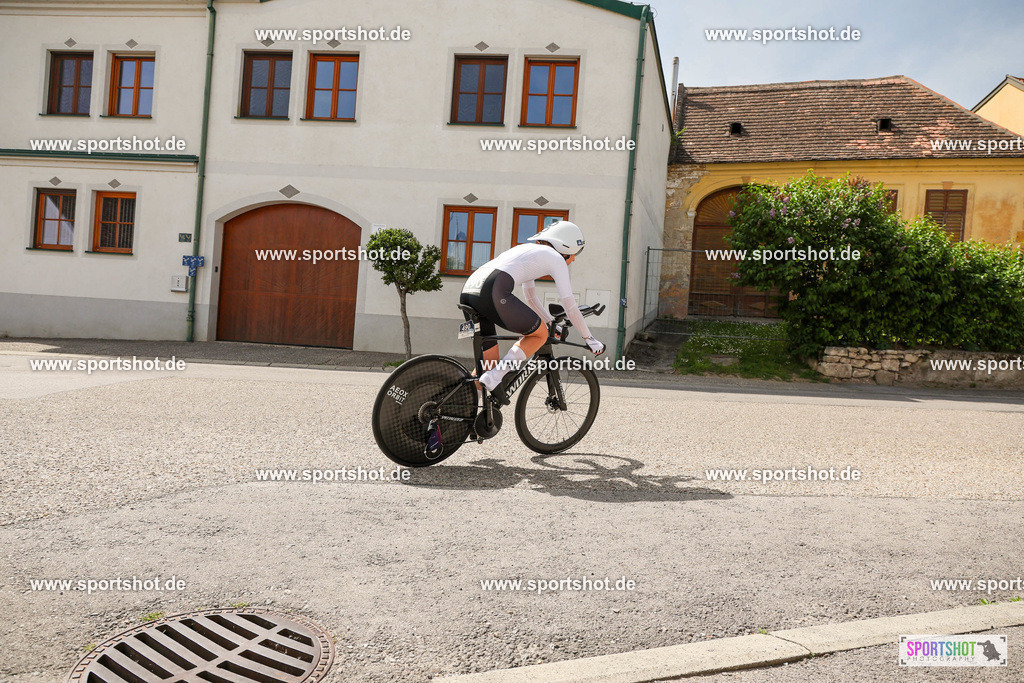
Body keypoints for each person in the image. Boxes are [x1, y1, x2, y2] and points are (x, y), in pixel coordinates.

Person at [459, 220, 605, 398]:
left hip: (469, 291)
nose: (573, 258)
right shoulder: (556, 258)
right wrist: (589, 338)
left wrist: (549, 322)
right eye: (575, 253)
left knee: (488, 364)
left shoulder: (528, 250)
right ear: (565, 246)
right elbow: (570, 304)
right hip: (492, 291)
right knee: (539, 335)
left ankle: (462, 405)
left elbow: (530, 297)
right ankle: (496, 376)